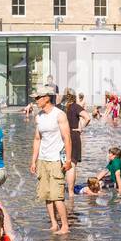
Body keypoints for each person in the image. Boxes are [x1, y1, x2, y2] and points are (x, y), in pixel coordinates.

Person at [29, 90, 72, 233]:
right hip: (43, 159)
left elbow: (67, 138)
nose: (36, 100)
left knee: (57, 195)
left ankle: (65, 226)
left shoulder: (59, 115)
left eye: (37, 98)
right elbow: (37, 139)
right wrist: (33, 161)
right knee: (46, 194)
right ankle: (54, 224)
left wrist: (69, 159)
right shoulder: (39, 117)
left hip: (55, 160)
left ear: (46, 98)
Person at [63, 89, 90, 197]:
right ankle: (70, 192)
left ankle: (60, 189)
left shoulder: (60, 107)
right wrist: (81, 128)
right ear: (74, 97)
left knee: (62, 162)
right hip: (73, 135)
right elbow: (87, 117)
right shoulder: (75, 106)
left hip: (61, 136)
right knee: (72, 164)